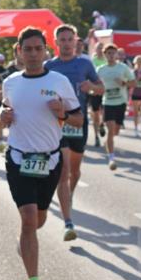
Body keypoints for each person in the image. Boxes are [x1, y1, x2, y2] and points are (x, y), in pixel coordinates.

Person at [0, 27, 83, 280]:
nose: (33, 54)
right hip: (19, 159)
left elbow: (79, 120)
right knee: (28, 218)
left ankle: (26, 243)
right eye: (28, 49)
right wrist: (2, 115)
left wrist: (62, 113)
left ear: (46, 50)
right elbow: (5, 112)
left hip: (51, 160)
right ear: (19, 52)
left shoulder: (59, 81)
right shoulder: (10, 82)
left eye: (38, 49)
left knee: (39, 221)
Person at [45, 24, 104, 241]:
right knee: (64, 171)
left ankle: (68, 195)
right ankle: (68, 221)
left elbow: (102, 88)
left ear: (75, 41)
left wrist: (92, 86)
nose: (67, 43)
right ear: (56, 42)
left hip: (78, 121)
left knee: (74, 172)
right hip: (56, 123)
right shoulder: (49, 66)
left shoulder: (84, 64)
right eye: (63, 40)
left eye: (70, 39)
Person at [96, 44, 135, 171]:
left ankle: (103, 128)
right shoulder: (100, 69)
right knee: (111, 130)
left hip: (121, 102)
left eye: (113, 53)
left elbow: (134, 82)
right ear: (104, 55)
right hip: (107, 102)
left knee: (116, 131)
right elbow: (95, 84)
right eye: (108, 53)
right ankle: (111, 158)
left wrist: (124, 83)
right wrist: (95, 89)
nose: (111, 55)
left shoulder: (123, 68)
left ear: (117, 54)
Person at [89, 41, 108, 145]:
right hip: (95, 90)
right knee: (95, 114)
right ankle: (96, 136)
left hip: (106, 90)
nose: (100, 50)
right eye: (98, 48)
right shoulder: (92, 61)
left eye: (102, 48)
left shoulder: (107, 61)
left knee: (104, 113)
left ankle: (102, 124)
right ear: (95, 50)